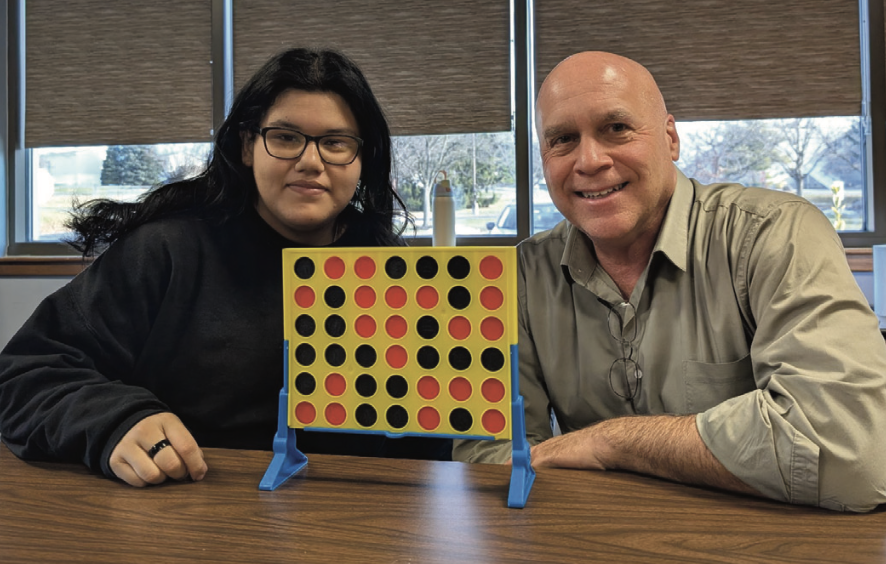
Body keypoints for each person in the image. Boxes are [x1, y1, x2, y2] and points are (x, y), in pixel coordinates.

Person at [453, 51, 886, 512]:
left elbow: (850, 456)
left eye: (616, 128)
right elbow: (489, 461)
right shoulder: (517, 277)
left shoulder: (775, 235)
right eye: (562, 139)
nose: (590, 160)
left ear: (671, 137)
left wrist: (611, 443)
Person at [0, 47, 451, 487]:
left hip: (359, 517)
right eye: (286, 138)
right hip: (188, 509)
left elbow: (427, 436)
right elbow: (24, 373)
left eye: (335, 143)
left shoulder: (391, 266)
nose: (311, 162)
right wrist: (114, 420)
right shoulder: (166, 252)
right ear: (248, 146)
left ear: (361, 159)